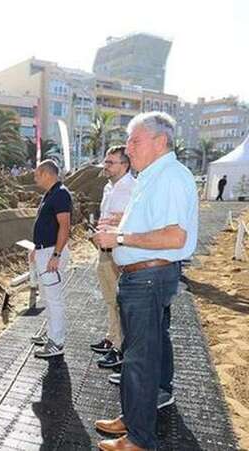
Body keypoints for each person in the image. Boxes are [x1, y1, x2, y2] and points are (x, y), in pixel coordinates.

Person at [92, 112, 198, 451]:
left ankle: (139, 438)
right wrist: (121, 223)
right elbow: (156, 221)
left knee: (139, 358)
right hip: (146, 276)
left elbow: (173, 235)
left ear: (160, 141)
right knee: (142, 353)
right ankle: (133, 418)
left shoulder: (169, 177)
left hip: (149, 277)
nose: (128, 148)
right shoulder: (154, 176)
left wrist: (119, 240)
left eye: (134, 141)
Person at [90, 146, 136, 371]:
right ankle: (112, 336)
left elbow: (135, 227)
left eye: (110, 163)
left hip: (120, 254)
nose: (105, 166)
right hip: (104, 251)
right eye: (105, 162)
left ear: (124, 165)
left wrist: (115, 226)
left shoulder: (133, 190)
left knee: (120, 301)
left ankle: (119, 347)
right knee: (110, 299)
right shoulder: (109, 187)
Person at [29, 160, 72, 358]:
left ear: (47, 174)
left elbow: (64, 226)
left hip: (51, 254)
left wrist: (56, 254)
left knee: (54, 299)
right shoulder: (50, 194)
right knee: (47, 296)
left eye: (37, 174)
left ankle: (57, 342)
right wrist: (36, 249)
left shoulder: (61, 193)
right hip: (43, 252)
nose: (35, 178)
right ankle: (51, 334)